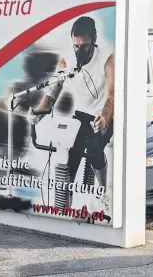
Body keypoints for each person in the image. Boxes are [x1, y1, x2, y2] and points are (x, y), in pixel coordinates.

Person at [29, 16, 114, 214]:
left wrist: (105, 117)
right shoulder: (67, 60)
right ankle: (65, 207)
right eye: (76, 46)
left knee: (94, 149)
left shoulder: (108, 59)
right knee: (69, 156)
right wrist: (38, 114)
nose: (79, 51)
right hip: (82, 115)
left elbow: (112, 95)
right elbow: (51, 95)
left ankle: (102, 193)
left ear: (94, 40)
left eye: (84, 46)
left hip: (104, 114)